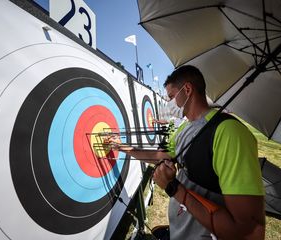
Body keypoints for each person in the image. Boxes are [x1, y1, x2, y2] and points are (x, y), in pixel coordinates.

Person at [112, 65, 265, 239]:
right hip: (181, 231)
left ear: (187, 89)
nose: (168, 103)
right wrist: (122, 147)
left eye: (171, 97)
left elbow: (248, 230)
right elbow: (158, 157)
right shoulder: (184, 127)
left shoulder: (230, 132)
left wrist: (172, 187)